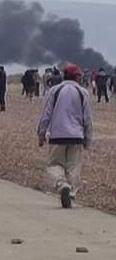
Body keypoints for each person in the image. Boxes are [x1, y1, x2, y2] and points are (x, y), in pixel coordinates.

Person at [37, 63, 93, 208]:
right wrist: (88, 139)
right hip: (77, 136)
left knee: (54, 164)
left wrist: (41, 134)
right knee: (73, 167)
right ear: (77, 77)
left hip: (57, 135)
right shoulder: (83, 92)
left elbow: (46, 115)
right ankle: (71, 195)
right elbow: (88, 119)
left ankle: (62, 186)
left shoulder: (55, 90)